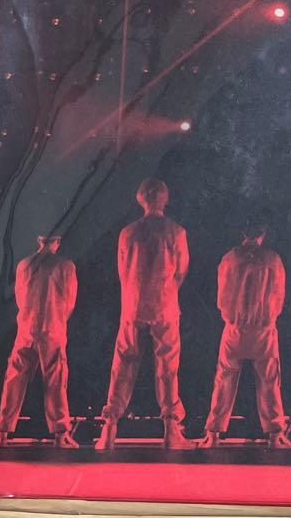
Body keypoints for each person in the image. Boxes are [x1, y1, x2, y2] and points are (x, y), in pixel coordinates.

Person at [95, 178, 193, 450]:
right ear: (165, 199)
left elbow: (122, 272)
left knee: (123, 364)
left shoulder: (127, 233)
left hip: (133, 307)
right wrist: (166, 291)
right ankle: (171, 431)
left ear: (141, 199)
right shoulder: (176, 232)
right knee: (168, 367)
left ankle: (109, 428)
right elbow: (181, 272)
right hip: (164, 305)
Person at [200, 218, 291, 448]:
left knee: (224, 379)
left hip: (234, 329)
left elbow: (222, 296)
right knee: (270, 380)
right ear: (263, 234)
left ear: (242, 233)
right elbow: (279, 296)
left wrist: (232, 317)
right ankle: (275, 435)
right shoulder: (273, 259)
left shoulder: (230, 259)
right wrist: (268, 318)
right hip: (264, 329)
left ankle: (213, 434)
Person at [0, 234, 78, 448]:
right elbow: (69, 302)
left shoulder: (24, 265)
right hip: (53, 328)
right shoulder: (65, 265)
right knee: (56, 381)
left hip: (26, 329)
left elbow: (20, 298)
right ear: (57, 241)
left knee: (14, 379)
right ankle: (60, 435)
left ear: (39, 240)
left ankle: (1, 434)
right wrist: (56, 319)